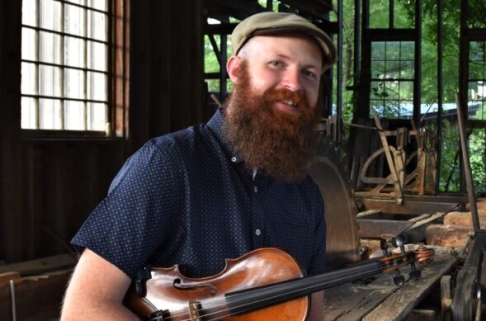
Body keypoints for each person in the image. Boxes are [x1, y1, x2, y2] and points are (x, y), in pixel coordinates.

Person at [61, 11, 337, 320]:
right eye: (277, 63)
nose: (294, 85)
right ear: (237, 70)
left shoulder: (306, 195)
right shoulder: (166, 164)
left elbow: (313, 314)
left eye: (309, 73)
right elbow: (83, 310)